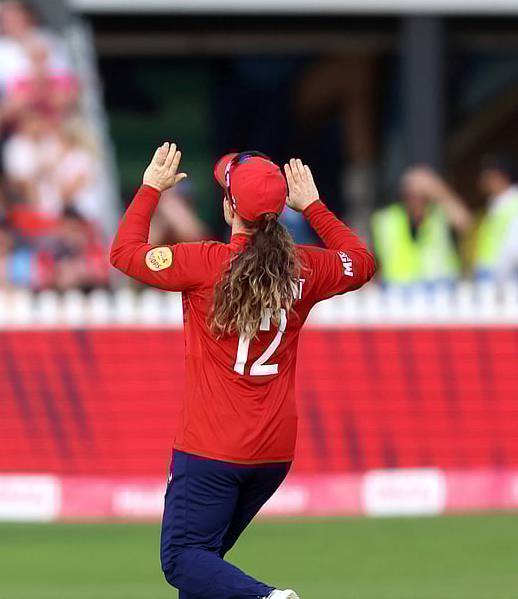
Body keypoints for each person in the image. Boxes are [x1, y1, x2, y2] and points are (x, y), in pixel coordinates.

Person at [111, 145, 377, 599]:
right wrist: (313, 206)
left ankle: (269, 598)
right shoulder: (306, 268)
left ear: (230, 207)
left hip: (212, 447)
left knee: (182, 558)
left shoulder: (204, 263)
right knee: (204, 570)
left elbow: (124, 253)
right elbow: (361, 261)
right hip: (273, 453)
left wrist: (150, 188)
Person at [370, 165, 470, 285]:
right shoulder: (386, 220)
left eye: (422, 196)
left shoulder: (439, 214)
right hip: (398, 292)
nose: (416, 201)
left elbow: (465, 223)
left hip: (441, 290)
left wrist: (436, 187)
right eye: (411, 195)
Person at [472, 154, 518, 278]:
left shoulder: (514, 203)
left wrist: (502, 272)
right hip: (492, 275)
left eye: (487, 174)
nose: (482, 179)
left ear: (501, 176)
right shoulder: (495, 205)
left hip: (505, 276)